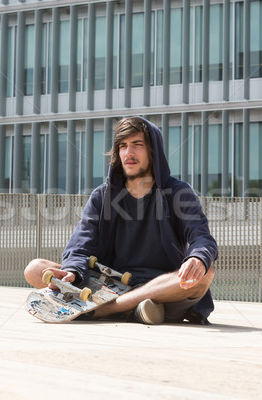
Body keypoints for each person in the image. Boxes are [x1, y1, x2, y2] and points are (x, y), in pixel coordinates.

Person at [24, 116, 218, 325]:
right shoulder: (102, 195)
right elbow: (80, 244)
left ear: (153, 151)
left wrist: (197, 258)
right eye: (123, 146)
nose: (128, 153)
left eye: (137, 145)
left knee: (206, 273)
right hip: (107, 286)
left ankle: (106, 310)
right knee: (35, 268)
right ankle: (133, 310)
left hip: (159, 287)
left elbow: (202, 238)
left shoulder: (179, 192)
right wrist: (71, 272)